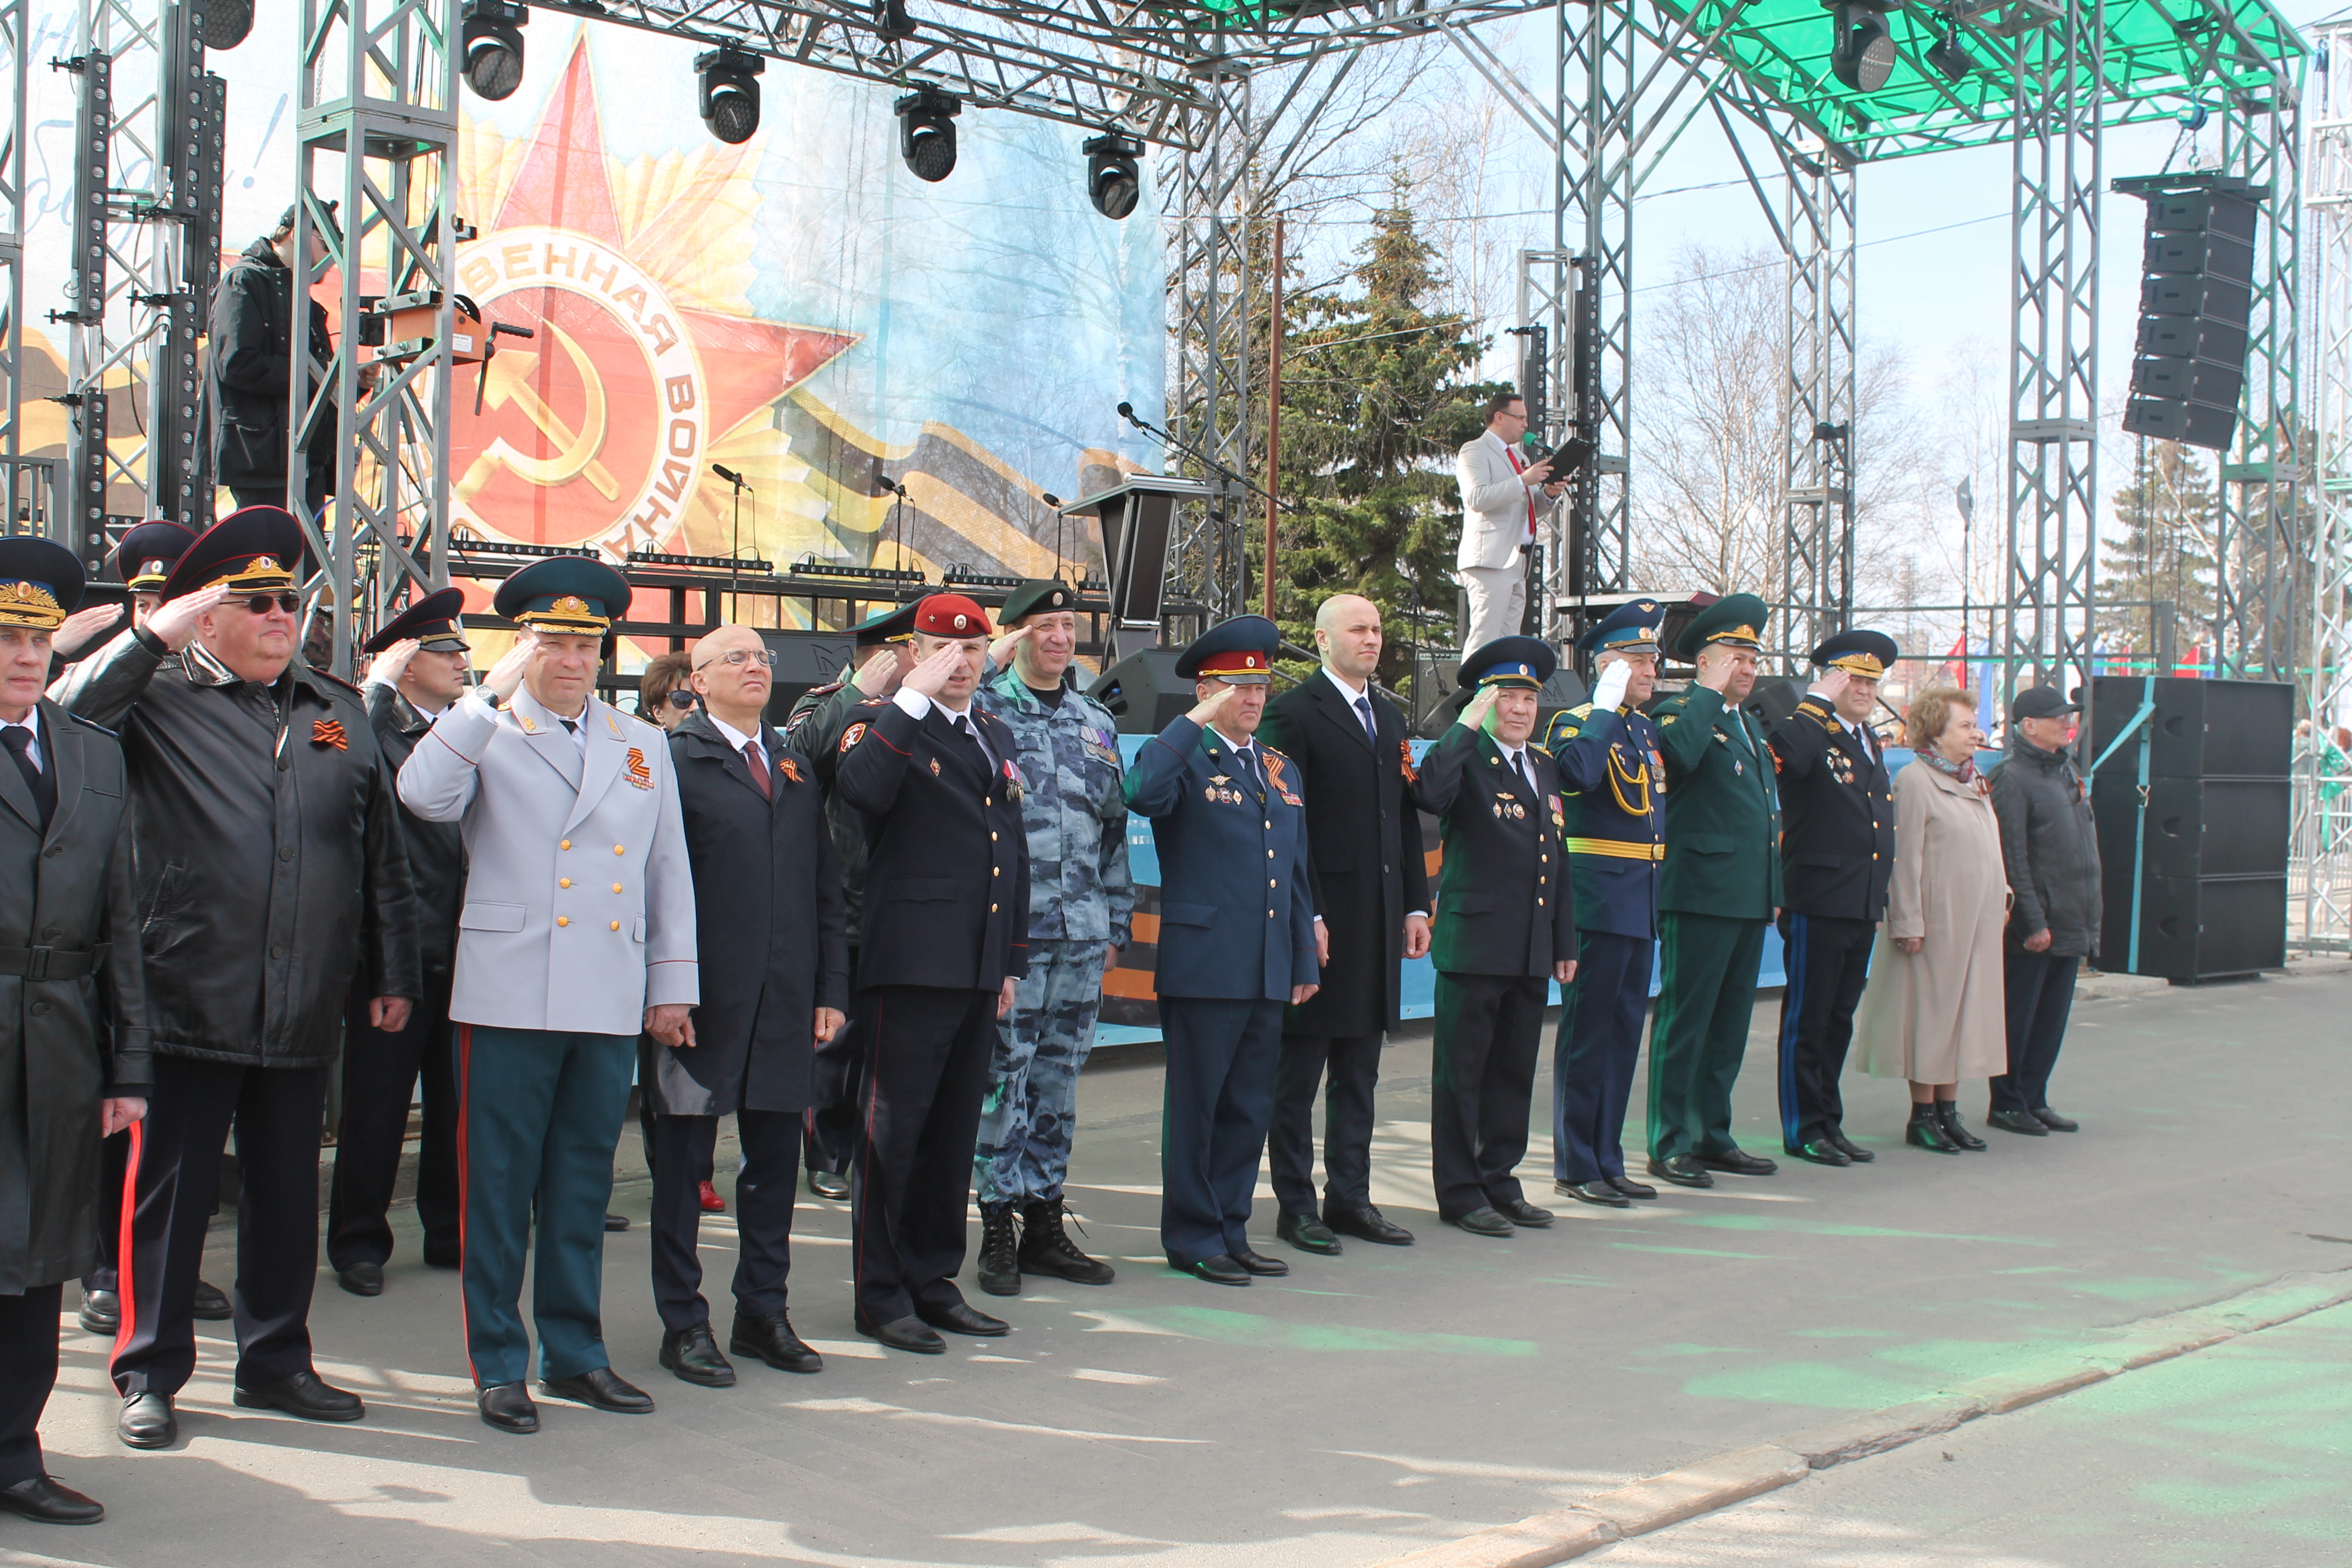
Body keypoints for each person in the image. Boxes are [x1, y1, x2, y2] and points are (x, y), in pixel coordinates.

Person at [53, 507, 418, 1451]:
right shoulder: (154, 696)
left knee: (287, 1193)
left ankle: (277, 1359)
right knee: (169, 1205)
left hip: (303, 997)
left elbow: (377, 851)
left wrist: (388, 968)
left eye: (286, 601)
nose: (276, 616)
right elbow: (65, 715)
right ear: (202, 616)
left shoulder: (334, 709)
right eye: (252, 601)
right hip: (185, 993)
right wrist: (149, 636)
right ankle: (150, 1368)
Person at [397, 557, 697, 1434]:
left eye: (584, 644)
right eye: (553, 641)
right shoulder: (484, 726)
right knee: (496, 1186)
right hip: (511, 990)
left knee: (579, 1183)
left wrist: (672, 987)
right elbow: (422, 796)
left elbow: (667, 870)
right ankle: (498, 1361)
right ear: (523, 646)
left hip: (606, 990)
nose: (571, 659)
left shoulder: (639, 744)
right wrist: (481, 701)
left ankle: (576, 1354)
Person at [644, 624, 847, 1387]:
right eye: (737, 658)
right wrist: (660, 990)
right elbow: (650, 884)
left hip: (786, 1000)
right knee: (684, 1169)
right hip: (698, 1002)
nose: (756, 667)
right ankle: (683, 1323)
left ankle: (763, 1311)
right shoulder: (671, 760)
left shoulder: (791, 762)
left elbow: (824, 885)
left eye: (762, 657)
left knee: (773, 1166)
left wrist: (830, 991)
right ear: (697, 681)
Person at [832, 594, 1030, 1352]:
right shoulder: (883, 724)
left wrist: (1009, 959)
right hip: (911, 966)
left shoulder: (994, 732)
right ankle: (881, 1295)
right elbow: (862, 791)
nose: (961, 664)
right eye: (944, 651)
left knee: (952, 1136)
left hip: (977, 966)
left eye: (974, 650)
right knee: (893, 1136)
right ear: (914, 654)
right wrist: (908, 701)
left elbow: (1010, 851)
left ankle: (933, 1280)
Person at [0, 540, 150, 1526]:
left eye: (36, 635)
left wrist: (128, 1063)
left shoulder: (91, 749)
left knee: (40, 1257)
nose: (22, 654)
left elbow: (121, 916)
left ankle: (16, 1447)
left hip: (59, 1037)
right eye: (5, 634)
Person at [53, 519, 224, 1340]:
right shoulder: (112, 671)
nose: (162, 613)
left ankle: (166, 1269)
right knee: (114, 1122)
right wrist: (137, 643)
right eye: (148, 600)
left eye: (176, 599)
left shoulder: (207, 685)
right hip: (101, 930)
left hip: (178, 935)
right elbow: (73, 716)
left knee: (172, 1136)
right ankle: (103, 1270)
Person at [1123, 616, 1319, 1286]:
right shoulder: (1182, 755)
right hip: (1206, 966)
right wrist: (1193, 721)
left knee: (1247, 1109)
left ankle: (1232, 1228)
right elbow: (1142, 792)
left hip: (1265, 966)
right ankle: (1192, 1234)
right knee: (1199, 1109)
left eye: (1261, 685)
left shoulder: (1277, 767)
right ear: (1207, 692)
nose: (1255, 698)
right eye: (1238, 686)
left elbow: (1292, 874)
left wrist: (1301, 958)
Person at [970, 579, 1132, 1295]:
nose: (1060, 638)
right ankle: (997, 1224)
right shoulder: (980, 709)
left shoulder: (1097, 722)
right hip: (1015, 942)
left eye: (1068, 625)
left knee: (1058, 1082)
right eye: (1043, 626)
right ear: (1016, 638)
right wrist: (985, 660)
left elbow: (1114, 829)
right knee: (1004, 1080)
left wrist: (1116, 922)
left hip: (1081, 936)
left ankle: (1044, 1222)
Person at [1256, 594, 1429, 1255]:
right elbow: (1283, 825)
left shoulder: (1387, 716)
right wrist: (1311, 914)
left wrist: (1416, 904)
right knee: (1297, 1076)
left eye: (1378, 628)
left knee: (1360, 1072)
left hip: (1380, 924)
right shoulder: (1294, 714)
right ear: (1323, 641)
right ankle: (1296, 1206)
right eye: (1358, 629)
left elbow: (1404, 819)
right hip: (1323, 925)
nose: (1372, 639)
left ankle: (1350, 1198)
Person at [325, 590, 472, 1298]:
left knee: (455, 1104)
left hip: (465, 944)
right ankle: (358, 1240)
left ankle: (449, 1230)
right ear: (407, 663)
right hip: (395, 947)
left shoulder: (472, 729)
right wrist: (375, 687)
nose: (461, 663)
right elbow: (338, 747)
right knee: (378, 1107)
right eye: (444, 653)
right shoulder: (371, 725)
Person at [1412, 636, 1577, 1237]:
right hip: (1475, 945)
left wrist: (1565, 942)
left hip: (1531, 945)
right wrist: (1465, 726)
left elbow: (1556, 858)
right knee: (1463, 1075)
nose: (1520, 709)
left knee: (1512, 1072)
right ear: (1484, 702)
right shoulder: (1466, 757)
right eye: (1507, 697)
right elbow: (1427, 795)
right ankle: (1460, 1192)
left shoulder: (1544, 766)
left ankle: (1499, 1180)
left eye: (1528, 698)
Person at [1645, 594, 1782, 1189]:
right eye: (1734, 657)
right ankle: (1669, 1140)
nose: (1746, 670)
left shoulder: (1748, 724)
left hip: (1746, 896)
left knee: (1728, 1026)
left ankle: (1712, 1134)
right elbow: (1676, 760)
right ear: (1704, 662)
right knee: (1685, 1022)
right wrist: (1704, 695)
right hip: (1699, 893)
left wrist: (1771, 888)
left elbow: (1767, 817)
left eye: (1752, 659)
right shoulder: (1680, 712)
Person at [790, 601, 920, 1201]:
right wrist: (854, 694)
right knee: (835, 1040)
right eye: (905, 654)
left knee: (893, 1044)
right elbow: (802, 758)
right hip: (843, 898)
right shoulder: (823, 703)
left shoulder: (919, 713)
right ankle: (827, 1153)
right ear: (877, 657)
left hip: (903, 902)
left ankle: (881, 1150)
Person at [1544, 600, 1668, 1210]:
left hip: (1640, 901)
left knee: (1623, 1035)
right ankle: (1576, 1162)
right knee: (1587, 1036)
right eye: (1639, 660)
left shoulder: (1644, 730)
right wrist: (1601, 706)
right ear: (1610, 665)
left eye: (1652, 658)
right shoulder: (1576, 720)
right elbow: (1579, 777)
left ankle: (1609, 1158)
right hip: (1596, 901)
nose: (1652, 669)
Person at [1853, 686, 2008, 1152]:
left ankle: (1948, 1111)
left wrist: (2001, 895)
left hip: (1976, 923)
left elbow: (1988, 846)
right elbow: (1905, 860)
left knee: (1964, 1017)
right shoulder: (1917, 781)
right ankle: (1923, 1115)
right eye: (1964, 725)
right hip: (1937, 924)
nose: (1975, 733)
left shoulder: (1973, 778)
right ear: (1935, 732)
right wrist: (1907, 922)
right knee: (1931, 1019)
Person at [1766, 630, 1898, 1168]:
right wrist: (1816, 700)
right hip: (1817, 898)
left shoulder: (1868, 739)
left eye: (1871, 681)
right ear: (1829, 679)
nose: (1864, 689)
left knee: (1838, 1018)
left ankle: (1829, 1120)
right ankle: (1803, 1126)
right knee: (1808, 1018)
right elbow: (1790, 761)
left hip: (1859, 900)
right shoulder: (1810, 731)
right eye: (1852, 679)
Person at [1988, 685, 2099, 1137]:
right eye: (2058, 718)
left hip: (2070, 917)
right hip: (2035, 925)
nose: (2067, 724)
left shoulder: (2063, 772)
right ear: (2029, 726)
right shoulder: (2012, 779)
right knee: (2020, 1016)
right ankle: (2008, 1101)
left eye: (2068, 717)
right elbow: (2011, 857)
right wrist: (2032, 921)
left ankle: (2035, 1097)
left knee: (2051, 1018)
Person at [208, 203, 355, 517]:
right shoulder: (244, 281)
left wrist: (352, 382)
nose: (332, 257)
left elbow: (319, 379)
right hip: (262, 457)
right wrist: (317, 377)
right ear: (293, 233)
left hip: (305, 458)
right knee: (268, 557)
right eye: (326, 244)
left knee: (308, 560)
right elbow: (236, 363)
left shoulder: (304, 302)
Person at [1455, 393, 1565, 655]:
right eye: (1520, 418)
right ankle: (1473, 696)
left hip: (1517, 561)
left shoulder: (1520, 458)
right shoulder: (1475, 450)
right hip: (1490, 560)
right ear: (1499, 417)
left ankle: (1501, 694)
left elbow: (1529, 509)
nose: (1526, 425)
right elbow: (1477, 498)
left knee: (1508, 643)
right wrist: (1523, 480)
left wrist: (1549, 493)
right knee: (1485, 636)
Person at [639, 650, 695, 731]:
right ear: (658, 712)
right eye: (683, 699)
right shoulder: (651, 743)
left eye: (702, 699)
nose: (696, 707)